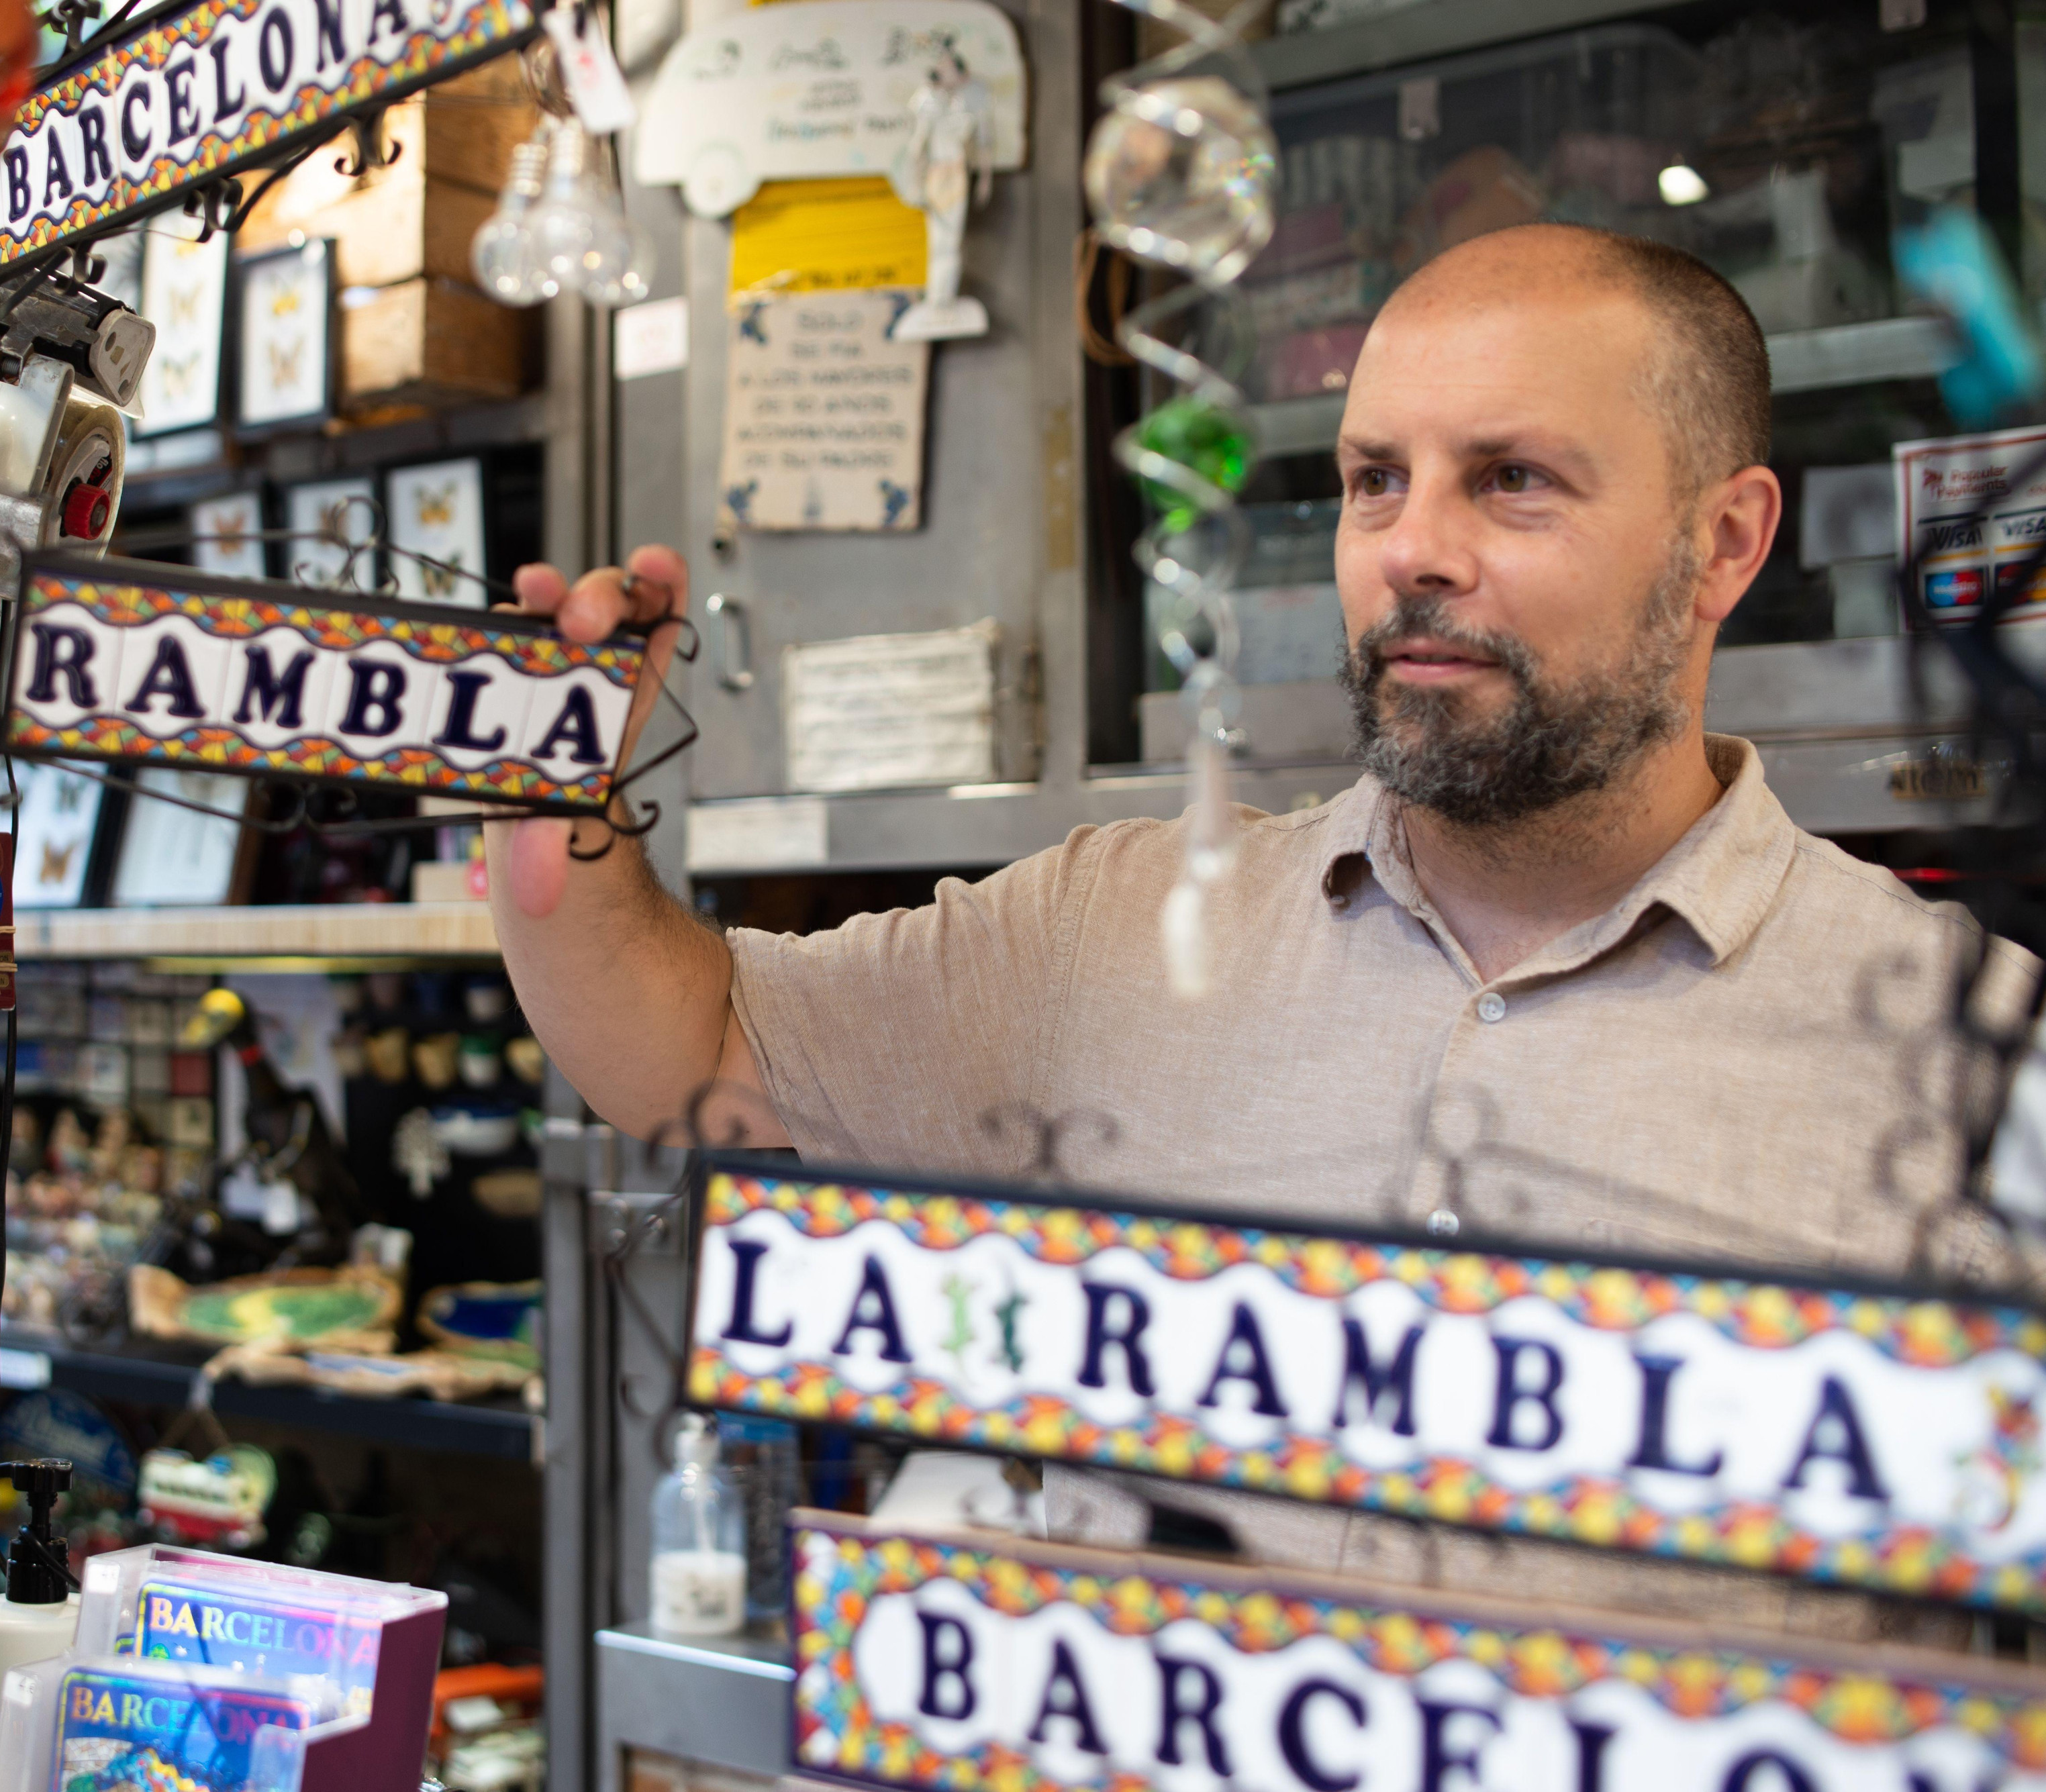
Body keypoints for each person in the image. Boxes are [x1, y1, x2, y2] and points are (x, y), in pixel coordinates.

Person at [485, 223, 2029, 1638]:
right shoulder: (1117, 923)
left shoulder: (1975, 1059)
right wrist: (554, 823)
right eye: (1371, 479)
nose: (1408, 549)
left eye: (1510, 480)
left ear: (1724, 545)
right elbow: (684, 1052)